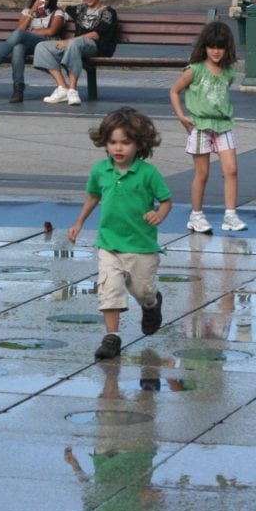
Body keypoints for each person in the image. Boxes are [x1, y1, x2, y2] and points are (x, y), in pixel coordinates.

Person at [67, 107, 172, 360]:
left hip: (141, 245)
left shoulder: (148, 173)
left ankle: (151, 304)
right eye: (113, 142)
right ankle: (112, 337)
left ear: (139, 144)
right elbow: (93, 195)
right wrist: (79, 222)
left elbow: (167, 200)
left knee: (142, 291)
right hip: (109, 243)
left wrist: (159, 214)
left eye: (125, 142)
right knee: (109, 289)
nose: (118, 148)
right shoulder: (101, 170)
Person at [168, 20, 247, 234]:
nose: (216, 52)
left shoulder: (228, 72)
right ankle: (196, 215)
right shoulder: (195, 70)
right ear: (204, 47)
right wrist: (182, 117)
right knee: (202, 173)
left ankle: (230, 214)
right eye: (212, 47)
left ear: (227, 48)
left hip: (223, 124)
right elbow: (174, 91)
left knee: (231, 170)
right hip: (201, 124)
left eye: (220, 47)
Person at [0, 0, 65, 104]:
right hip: (30, 45)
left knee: (20, 36)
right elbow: (19, 30)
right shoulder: (27, 12)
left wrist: (30, 32)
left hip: (46, 45)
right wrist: (32, 12)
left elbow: (51, 32)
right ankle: (18, 89)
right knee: (18, 47)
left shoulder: (57, 12)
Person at [34, 0, 117, 106]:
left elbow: (95, 35)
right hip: (75, 45)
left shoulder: (108, 12)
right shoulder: (79, 9)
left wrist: (68, 41)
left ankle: (73, 90)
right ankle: (62, 88)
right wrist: (43, 6)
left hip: (96, 47)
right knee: (42, 47)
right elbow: (61, 7)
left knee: (74, 44)